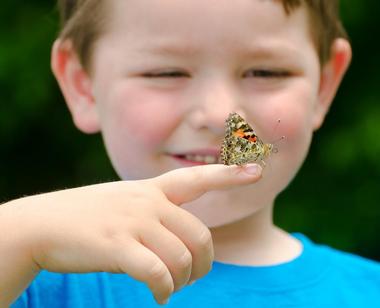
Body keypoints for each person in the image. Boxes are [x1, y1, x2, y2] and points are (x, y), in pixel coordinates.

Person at [2, 0, 380, 306]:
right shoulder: (31, 275)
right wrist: (17, 233)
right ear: (82, 85)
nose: (218, 114)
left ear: (325, 85)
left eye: (265, 72)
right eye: (166, 73)